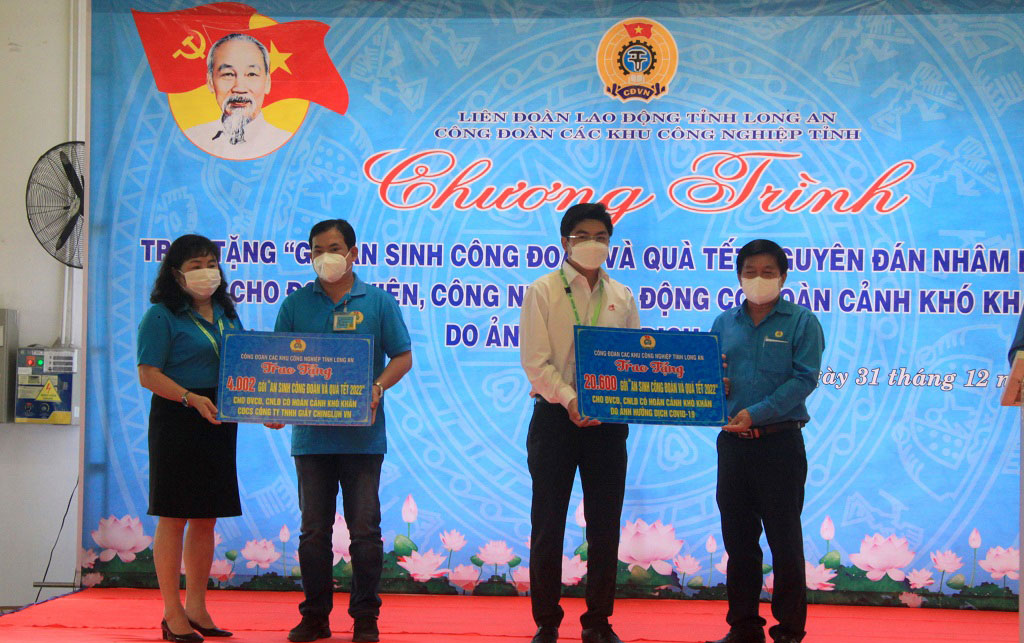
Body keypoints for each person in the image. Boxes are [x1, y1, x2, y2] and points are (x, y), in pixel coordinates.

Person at [273, 219, 412, 643]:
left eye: (333, 248)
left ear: (353, 253)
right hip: (311, 439)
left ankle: (365, 618)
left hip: (362, 438)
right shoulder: (295, 304)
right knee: (313, 532)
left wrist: (377, 387)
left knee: (365, 531)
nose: (325, 256)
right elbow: (276, 364)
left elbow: (402, 357)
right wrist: (273, 404)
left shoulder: (379, 302)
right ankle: (315, 616)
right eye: (317, 250)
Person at [519, 203, 640, 643]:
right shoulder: (542, 291)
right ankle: (546, 622)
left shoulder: (622, 295)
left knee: (605, 524)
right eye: (583, 236)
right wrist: (571, 400)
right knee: (548, 523)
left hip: (607, 424)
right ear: (564, 242)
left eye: (601, 237)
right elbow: (535, 363)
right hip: (555, 419)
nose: (593, 244)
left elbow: (633, 360)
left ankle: (598, 621)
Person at [705, 240, 825, 643]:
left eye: (768, 272)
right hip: (732, 446)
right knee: (739, 543)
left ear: (783, 276)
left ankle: (789, 630)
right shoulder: (724, 323)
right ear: (739, 276)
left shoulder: (802, 322)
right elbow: (709, 379)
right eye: (750, 271)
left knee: (784, 542)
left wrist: (756, 413)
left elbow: (804, 380)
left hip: (779, 444)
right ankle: (743, 627)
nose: (759, 279)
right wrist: (715, 387)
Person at [137, 234, 243, 642]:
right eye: (196, 265)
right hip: (178, 417)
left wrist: (265, 407)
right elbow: (148, 374)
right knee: (173, 515)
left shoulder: (227, 313)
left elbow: (245, 366)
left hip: (218, 418)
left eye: (211, 263)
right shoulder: (161, 316)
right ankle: (171, 612)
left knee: (206, 517)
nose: (206, 272)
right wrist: (189, 397)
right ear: (176, 274)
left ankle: (197, 607)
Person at [184, 33, 291, 160]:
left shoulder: (285, 142)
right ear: (210, 82)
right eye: (228, 74)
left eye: (251, 74)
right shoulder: (192, 139)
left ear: (267, 83)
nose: (239, 88)